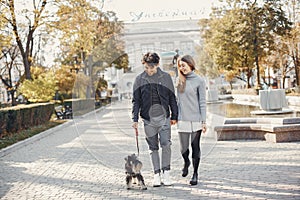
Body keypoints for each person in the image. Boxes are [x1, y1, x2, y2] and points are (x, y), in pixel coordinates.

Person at [132, 52, 178, 187]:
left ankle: (166, 173)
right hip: (148, 120)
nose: (149, 70)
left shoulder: (166, 77)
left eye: (151, 68)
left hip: (164, 118)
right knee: (153, 148)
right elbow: (136, 101)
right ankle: (156, 174)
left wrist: (175, 115)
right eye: (146, 67)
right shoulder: (139, 79)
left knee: (166, 144)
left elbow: (172, 98)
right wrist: (134, 119)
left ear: (157, 65)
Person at [176, 55, 207, 185]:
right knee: (183, 149)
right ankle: (186, 162)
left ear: (190, 64)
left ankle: (195, 174)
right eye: (180, 66)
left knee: (195, 147)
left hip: (196, 120)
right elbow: (176, 101)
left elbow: (202, 102)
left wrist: (204, 121)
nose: (182, 68)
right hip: (182, 119)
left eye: (184, 65)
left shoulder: (199, 81)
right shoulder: (179, 80)